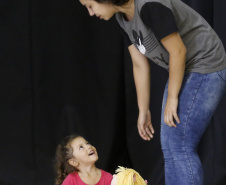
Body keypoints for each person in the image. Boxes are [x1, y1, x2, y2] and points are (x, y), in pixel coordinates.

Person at [78, 0, 226, 184]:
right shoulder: (122, 19)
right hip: (185, 68)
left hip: (206, 63)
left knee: (180, 144)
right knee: (169, 145)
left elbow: (178, 51)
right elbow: (139, 64)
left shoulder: (149, 6)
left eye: (90, 6)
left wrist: (173, 97)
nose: (90, 13)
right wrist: (143, 109)